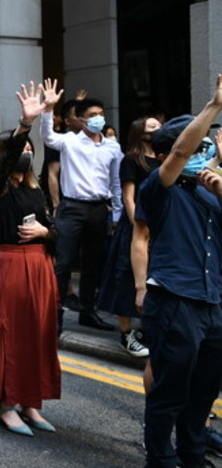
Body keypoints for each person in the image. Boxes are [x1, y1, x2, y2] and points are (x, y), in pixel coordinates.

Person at [132, 77, 222, 468]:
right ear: (166, 154)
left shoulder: (212, 192)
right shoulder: (160, 187)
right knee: (171, 388)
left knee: (205, 388)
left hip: (212, 301)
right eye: (198, 144)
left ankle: (192, 453)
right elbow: (182, 151)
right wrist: (212, 107)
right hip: (174, 299)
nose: (202, 152)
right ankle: (159, 465)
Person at [0, 82, 62, 436]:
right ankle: (6, 405)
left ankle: (31, 403)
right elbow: (5, 162)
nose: (25, 151)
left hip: (40, 265)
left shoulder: (34, 187)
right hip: (11, 265)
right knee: (11, 335)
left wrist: (46, 234)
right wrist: (24, 124)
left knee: (40, 334)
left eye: (29, 147)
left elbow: (56, 230)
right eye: (18, 149)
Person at [40, 88, 123, 330]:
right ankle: (53, 313)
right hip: (72, 208)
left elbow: (116, 183)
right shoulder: (69, 140)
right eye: (93, 114)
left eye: (101, 113)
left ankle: (88, 311)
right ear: (81, 119)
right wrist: (48, 109)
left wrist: (117, 214)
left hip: (99, 209)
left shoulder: (112, 148)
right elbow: (47, 136)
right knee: (64, 262)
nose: (99, 118)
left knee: (93, 264)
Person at [98, 116, 160, 357]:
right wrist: (139, 226)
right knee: (126, 278)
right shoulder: (131, 160)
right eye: (153, 127)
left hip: (159, 227)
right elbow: (128, 198)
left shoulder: (165, 159)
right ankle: (126, 333)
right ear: (140, 133)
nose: (159, 130)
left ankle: (147, 330)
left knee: (153, 279)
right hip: (135, 228)